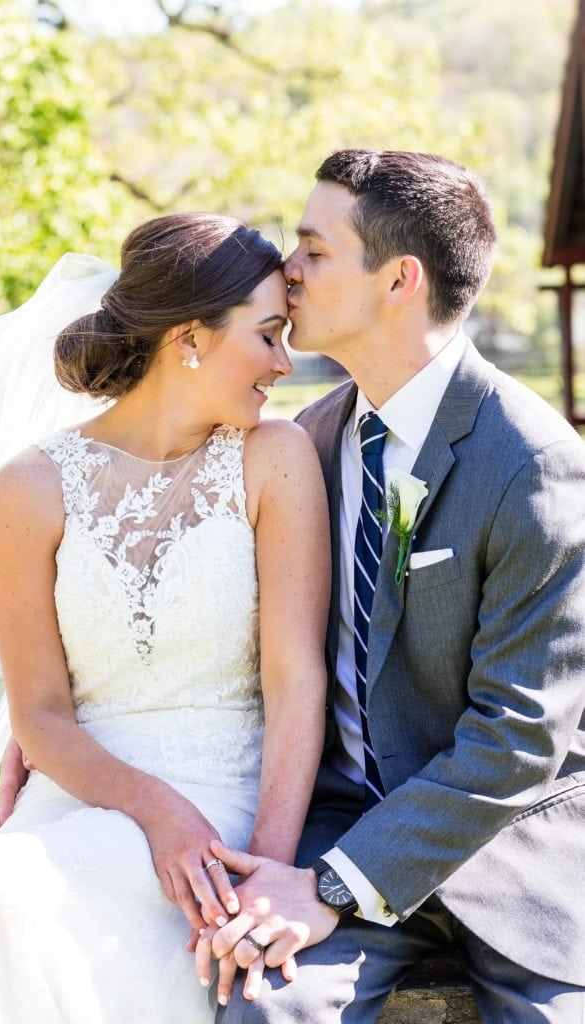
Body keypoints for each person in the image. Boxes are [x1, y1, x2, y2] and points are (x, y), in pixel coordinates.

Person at [0, 212, 331, 1023]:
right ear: (191, 339)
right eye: (269, 335)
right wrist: (153, 811)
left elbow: (294, 678)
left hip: (223, 810)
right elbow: (37, 713)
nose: (284, 362)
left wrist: (264, 877)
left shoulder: (273, 457)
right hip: (79, 801)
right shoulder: (28, 486)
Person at [197, 151, 585, 1022]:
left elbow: (518, 737)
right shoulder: (309, 440)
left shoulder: (534, 465)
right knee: (259, 1007)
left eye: (313, 249)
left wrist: (333, 886)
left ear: (399, 279)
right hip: (339, 823)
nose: (283, 270)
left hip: (514, 852)